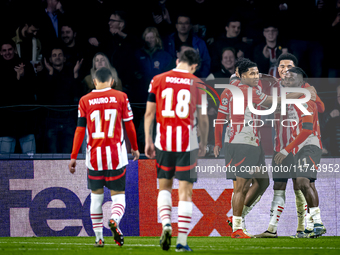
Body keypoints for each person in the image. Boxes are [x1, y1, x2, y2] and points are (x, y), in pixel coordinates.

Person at [144, 48, 209, 251]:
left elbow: (149, 114)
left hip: (163, 142)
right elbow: (204, 118)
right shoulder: (198, 83)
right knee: (185, 192)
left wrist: (148, 139)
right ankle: (181, 242)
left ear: (177, 60)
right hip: (187, 143)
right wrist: (204, 142)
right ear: (195, 66)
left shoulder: (157, 79)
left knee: (164, 187)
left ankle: (165, 224)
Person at [255, 53, 325, 238]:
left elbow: (321, 107)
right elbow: (264, 102)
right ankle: (272, 229)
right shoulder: (275, 86)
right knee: (278, 186)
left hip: (298, 145)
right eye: (282, 67)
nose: (286, 70)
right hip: (281, 146)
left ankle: (304, 227)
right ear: (278, 69)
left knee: (300, 185)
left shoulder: (306, 87)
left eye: (289, 67)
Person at [68, 67, 140, 247]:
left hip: (94, 158)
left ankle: (99, 238)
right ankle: (114, 219)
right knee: (118, 197)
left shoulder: (85, 100)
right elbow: (129, 125)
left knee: (96, 198)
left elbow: (79, 130)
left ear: (94, 82)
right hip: (116, 156)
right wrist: (135, 148)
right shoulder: (121, 97)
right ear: (112, 81)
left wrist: (73, 156)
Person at [274, 67, 326, 238]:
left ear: (300, 81)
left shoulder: (303, 99)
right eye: (286, 78)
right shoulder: (300, 96)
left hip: (309, 144)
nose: (287, 81)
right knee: (308, 183)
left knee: (303, 181)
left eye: (291, 79)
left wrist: (285, 149)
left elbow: (307, 130)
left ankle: (317, 222)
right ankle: (311, 227)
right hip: (300, 147)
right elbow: (322, 107)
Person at [36, 46, 83, 153]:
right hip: (51, 120)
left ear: (64, 58)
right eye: (54, 55)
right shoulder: (44, 75)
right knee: (52, 157)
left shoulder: (70, 73)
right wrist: (51, 74)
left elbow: (77, 94)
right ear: (50, 59)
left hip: (68, 120)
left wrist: (75, 74)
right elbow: (44, 97)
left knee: (69, 155)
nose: (57, 57)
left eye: (60, 55)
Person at [133, 27, 173, 152]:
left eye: (152, 37)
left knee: (161, 128)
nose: (150, 40)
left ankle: (161, 154)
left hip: (161, 99)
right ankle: (144, 155)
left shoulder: (165, 56)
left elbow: (170, 76)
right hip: (142, 100)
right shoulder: (137, 55)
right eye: (147, 37)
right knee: (142, 130)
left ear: (157, 39)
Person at [0, 39, 37, 154]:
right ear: (0, 52)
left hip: (25, 122)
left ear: (15, 50)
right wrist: (17, 79)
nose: (7, 52)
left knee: (30, 162)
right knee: (6, 165)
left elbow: (33, 89)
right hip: (5, 123)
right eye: (4, 50)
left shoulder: (24, 64)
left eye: (10, 49)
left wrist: (23, 76)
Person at [163, 13, 211, 78]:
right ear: (176, 25)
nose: (183, 26)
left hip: (194, 78)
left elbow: (206, 62)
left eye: (186, 23)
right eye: (180, 23)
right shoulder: (167, 41)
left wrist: (200, 78)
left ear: (191, 26)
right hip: (172, 79)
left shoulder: (199, 43)